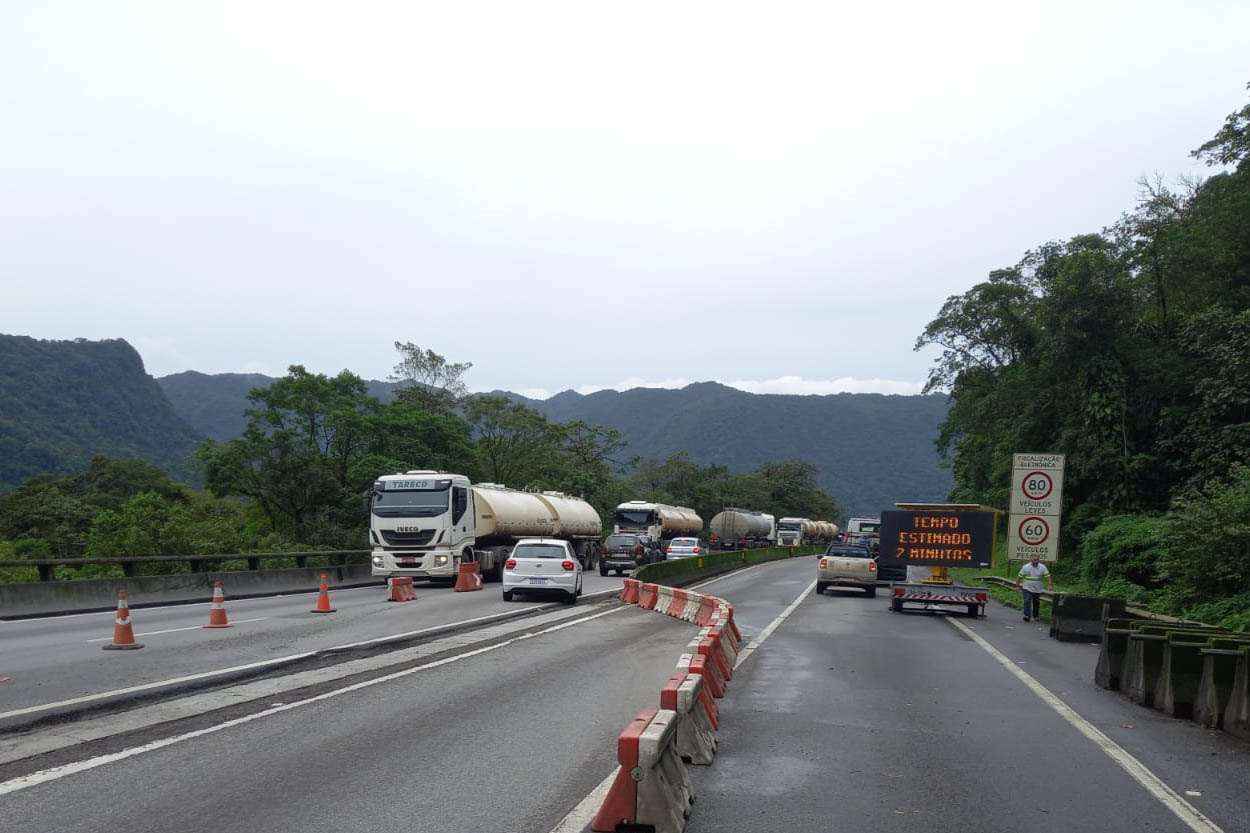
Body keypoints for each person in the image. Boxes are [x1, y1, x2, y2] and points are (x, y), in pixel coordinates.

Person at [1015, 554, 1053, 622]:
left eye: (1038, 560)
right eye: (1034, 560)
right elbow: (1019, 576)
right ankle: (1027, 615)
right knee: (1027, 601)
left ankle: (1036, 615)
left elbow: (1048, 576)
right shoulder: (1025, 567)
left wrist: (1050, 585)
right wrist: (1017, 586)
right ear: (1031, 560)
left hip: (1037, 588)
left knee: (1036, 602)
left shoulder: (1042, 567)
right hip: (1027, 587)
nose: (1036, 561)